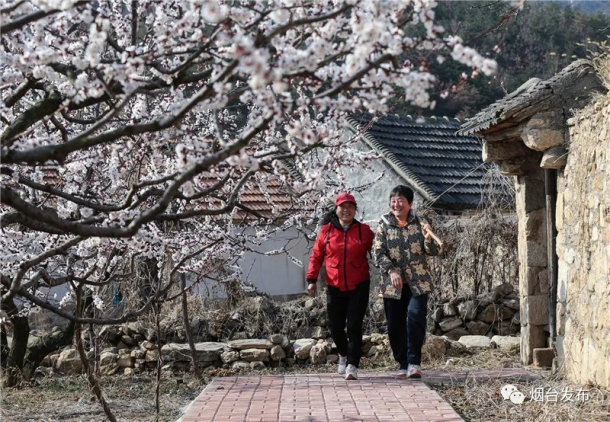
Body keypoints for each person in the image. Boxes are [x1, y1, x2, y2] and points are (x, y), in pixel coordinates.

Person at [373, 185, 442, 379]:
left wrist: (428, 239)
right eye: (393, 200)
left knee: (415, 318)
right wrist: (392, 270)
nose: (396, 204)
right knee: (395, 324)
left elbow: (434, 251)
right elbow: (377, 252)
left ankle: (414, 362)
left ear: (410, 203)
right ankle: (402, 363)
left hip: (417, 282)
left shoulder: (420, 222)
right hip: (392, 285)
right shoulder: (384, 223)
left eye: (401, 200)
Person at [306, 193, 375, 380]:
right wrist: (312, 279)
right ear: (336, 210)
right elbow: (316, 256)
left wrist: (387, 268)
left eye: (350, 207)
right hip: (334, 285)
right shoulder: (326, 231)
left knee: (354, 326)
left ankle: (352, 364)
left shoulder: (364, 231)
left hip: (359, 284)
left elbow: (378, 251)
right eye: (342, 207)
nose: (346, 210)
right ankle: (343, 354)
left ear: (355, 210)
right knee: (335, 326)